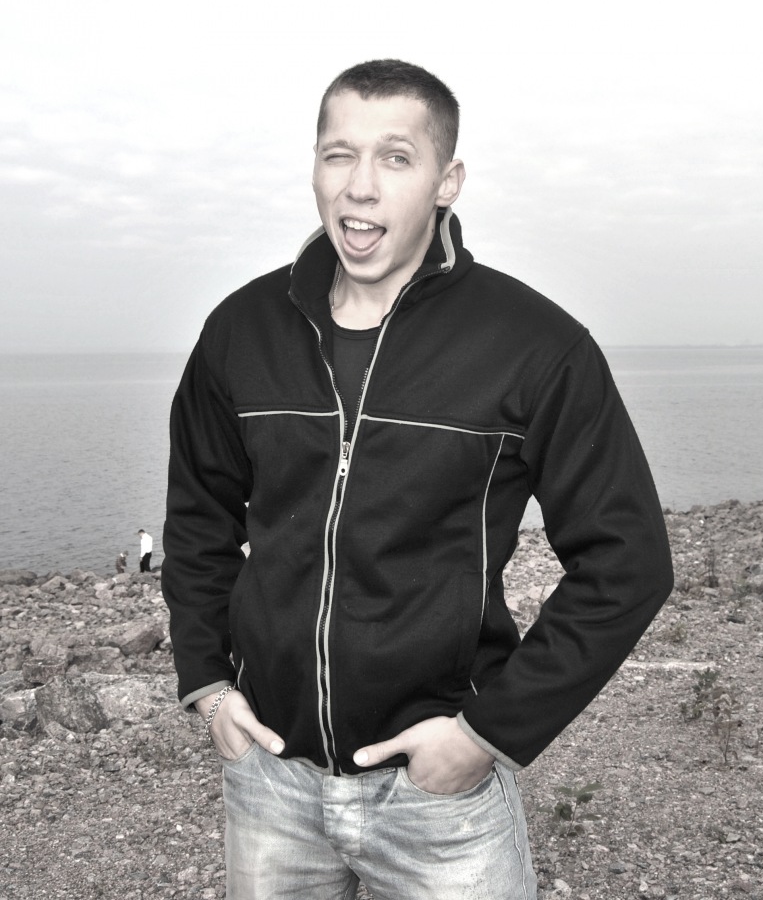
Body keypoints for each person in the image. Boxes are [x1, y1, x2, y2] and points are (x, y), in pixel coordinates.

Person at [162, 59, 673, 900]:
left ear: (447, 181)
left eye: (395, 158)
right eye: (339, 154)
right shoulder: (239, 331)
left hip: (440, 799)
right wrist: (209, 685)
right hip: (270, 779)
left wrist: (485, 735)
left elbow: (628, 562)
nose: (360, 186)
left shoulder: (536, 345)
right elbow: (198, 520)